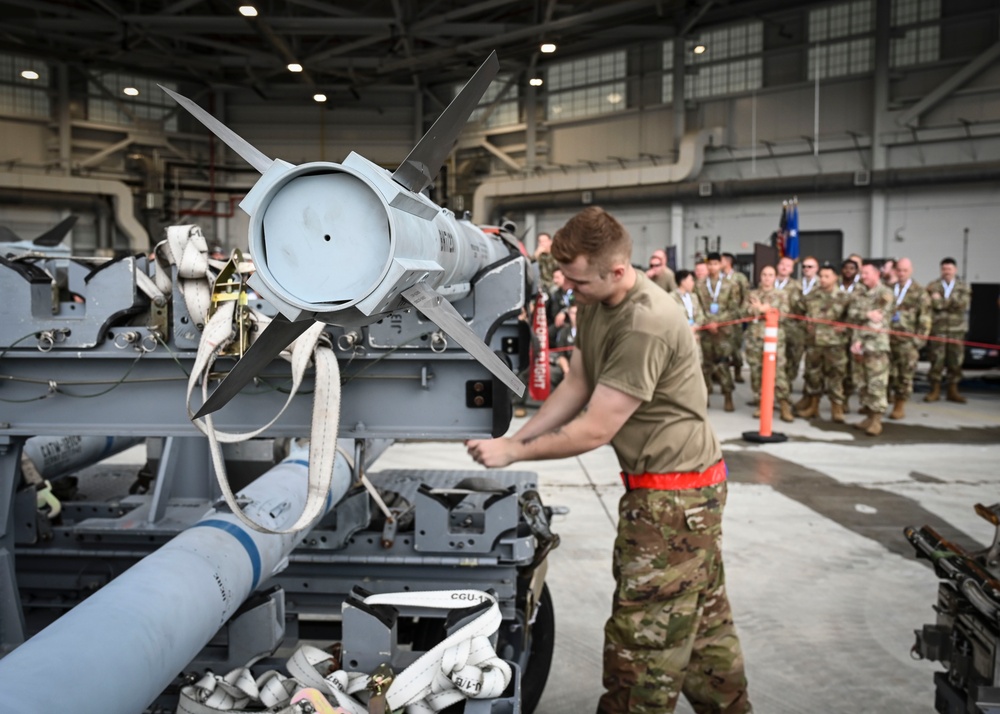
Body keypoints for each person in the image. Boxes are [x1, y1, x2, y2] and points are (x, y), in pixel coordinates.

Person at [465, 207, 752, 714]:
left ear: (617, 270)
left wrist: (513, 452)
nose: (567, 288)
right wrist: (519, 439)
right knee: (703, 625)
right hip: (673, 491)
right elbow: (578, 381)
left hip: (674, 500)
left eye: (576, 279)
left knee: (641, 643)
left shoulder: (646, 322)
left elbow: (596, 427)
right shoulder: (596, 301)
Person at [797, 264, 852, 422]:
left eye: (827, 276)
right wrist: (805, 325)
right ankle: (813, 407)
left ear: (835, 277)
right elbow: (799, 312)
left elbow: (853, 319)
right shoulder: (812, 295)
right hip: (814, 343)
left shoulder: (844, 297)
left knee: (836, 376)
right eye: (821, 276)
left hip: (835, 344)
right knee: (813, 376)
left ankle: (837, 408)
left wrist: (845, 328)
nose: (823, 279)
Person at [847, 261, 895, 436]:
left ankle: (876, 420)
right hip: (858, 346)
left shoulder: (885, 293)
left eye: (866, 273)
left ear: (877, 274)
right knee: (861, 382)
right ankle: (867, 415)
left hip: (875, 346)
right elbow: (851, 314)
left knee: (876, 383)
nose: (863, 276)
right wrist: (866, 314)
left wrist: (862, 338)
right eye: (862, 273)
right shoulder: (859, 292)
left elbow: (878, 320)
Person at [743, 265, 794, 422]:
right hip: (755, 339)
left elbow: (784, 314)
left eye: (770, 275)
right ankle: (762, 403)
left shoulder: (781, 294)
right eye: (764, 274)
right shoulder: (752, 294)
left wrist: (767, 309)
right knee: (757, 372)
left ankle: (784, 404)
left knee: (778, 372)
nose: (767, 278)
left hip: (774, 340)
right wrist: (758, 309)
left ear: (775, 277)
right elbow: (743, 312)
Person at [696, 252, 742, 412]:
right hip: (706, 330)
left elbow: (734, 307)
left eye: (716, 264)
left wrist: (718, 321)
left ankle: (727, 395)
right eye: (710, 264)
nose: (712, 267)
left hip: (724, 330)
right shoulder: (700, 284)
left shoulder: (730, 284)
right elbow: (698, 306)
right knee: (706, 365)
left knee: (723, 363)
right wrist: (709, 322)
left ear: (721, 265)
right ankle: (705, 396)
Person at [887, 258, 931, 419]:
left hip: (907, 342)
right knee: (888, 372)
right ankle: (886, 398)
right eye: (899, 270)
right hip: (888, 339)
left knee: (905, 375)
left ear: (911, 270)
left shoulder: (919, 292)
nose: (901, 274)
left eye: (905, 270)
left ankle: (900, 404)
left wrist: (918, 341)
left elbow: (925, 318)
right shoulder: (889, 289)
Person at [925, 257, 973, 403]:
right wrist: (949, 302)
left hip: (956, 330)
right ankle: (935, 390)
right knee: (936, 360)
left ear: (955, 270)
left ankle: (953, 390)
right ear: (941, 270)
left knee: (956, 361)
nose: (946, 272)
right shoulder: (933, 286)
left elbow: (962, 304)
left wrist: (940, 301)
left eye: (949, 269)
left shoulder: (963, 286)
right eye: (944, 269)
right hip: (938, 329)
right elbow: (929, 304)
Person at [791, 256, 820, 411]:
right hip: (797, 330)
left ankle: (809, 397)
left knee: (811, 367)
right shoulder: (796, 285)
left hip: (814, 332)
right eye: (805, 266)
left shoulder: (821, 285)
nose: (807, 269)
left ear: (817, 269)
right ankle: (788, 396)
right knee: (793, 363)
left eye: (811, 266)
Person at [774, 256, 804, 391]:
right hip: (772, 327)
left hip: (791, 327)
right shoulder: (769, 281)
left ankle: (786, 387)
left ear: (792, 270)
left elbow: (800, 307)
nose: (784, 267)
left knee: (791, 359)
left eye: (788, 265)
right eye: (782, 264)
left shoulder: (797, 286)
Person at [721, 253, 748, 384]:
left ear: (728, 261)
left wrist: (742, 315)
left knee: (736, 346)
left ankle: (738, 371)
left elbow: (746, 296)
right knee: (722, 346)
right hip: (721, 316)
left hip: (736, 317)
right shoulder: (718, 278)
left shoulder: (739, 277)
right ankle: (722, 374)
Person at [672, 268, 706, 364]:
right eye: (691, 280)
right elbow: (673, 319)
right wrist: (687, 328)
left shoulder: (693, 297)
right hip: (681, 338)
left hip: (695, 335)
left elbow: (700, 315)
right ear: (683, 281)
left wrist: (695, 326)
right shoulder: (671, 298)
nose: (693, 283)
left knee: (697, 363)